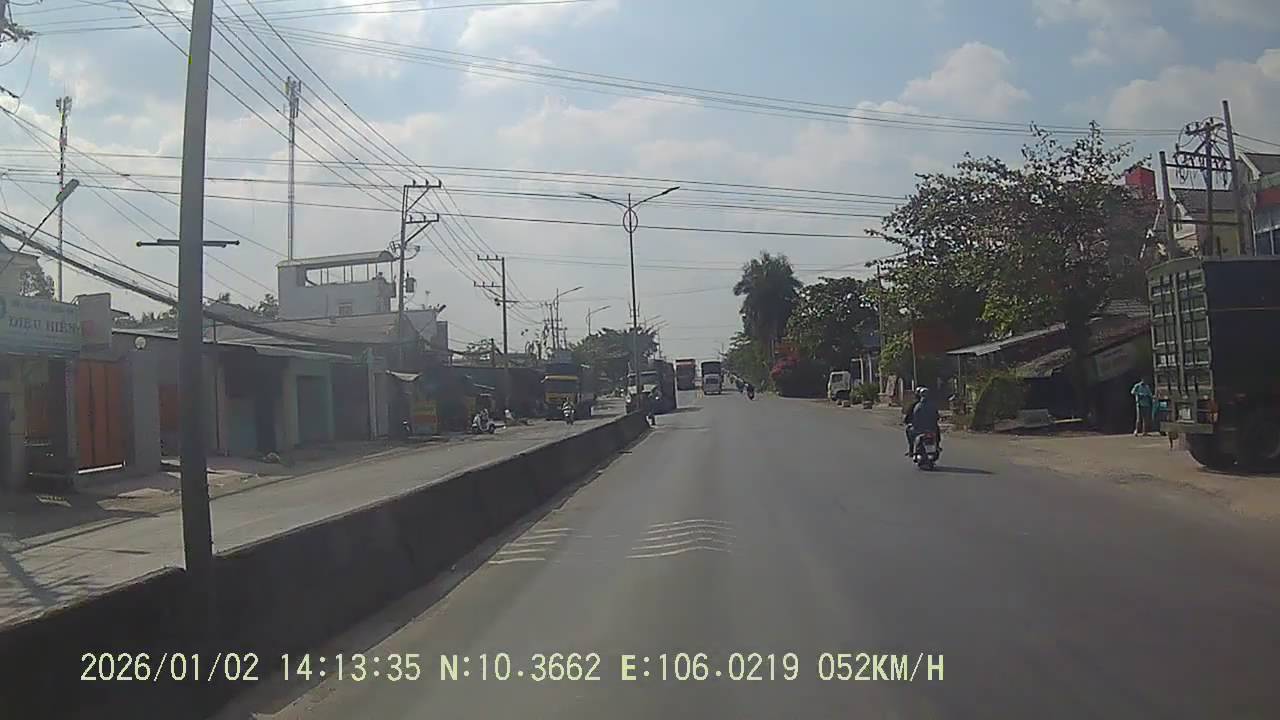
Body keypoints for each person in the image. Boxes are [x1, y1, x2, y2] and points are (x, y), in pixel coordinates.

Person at [905, 387, 940, 456]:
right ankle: (937, 446)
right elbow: (937, 416)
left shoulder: (916, 405)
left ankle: (911, 449)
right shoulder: (932, 405)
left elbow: (909, 417)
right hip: (930, 428)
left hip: (919, 429)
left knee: (909, 431)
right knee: (937, 430)